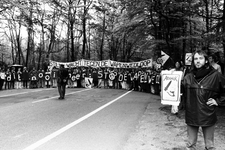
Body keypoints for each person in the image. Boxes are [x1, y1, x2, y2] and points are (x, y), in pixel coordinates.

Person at [182, 50, 225, 150]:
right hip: (192, 113)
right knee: (190, 145)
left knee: (210, 146)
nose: (198, 61)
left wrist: (218, 101)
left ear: (206, 60)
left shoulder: (215, 76)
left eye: (200, 58)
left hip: (207, 113)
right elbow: (178, 90)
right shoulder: (188, 76)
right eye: (196, 59)